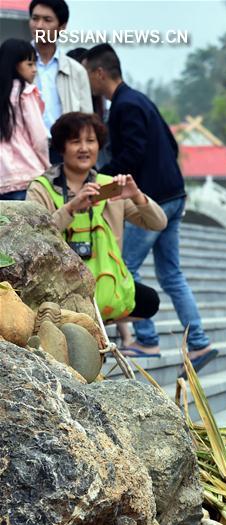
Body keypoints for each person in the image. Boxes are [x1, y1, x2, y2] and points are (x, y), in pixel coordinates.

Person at [82, 43, 217, 369]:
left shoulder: (125, 107)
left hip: (152, 201)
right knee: (171, 274)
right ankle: (198, 343)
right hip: (173, 196)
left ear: (99, 73)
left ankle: (146, 339)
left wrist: (98, 177)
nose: (87, 82)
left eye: (87, 74)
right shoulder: (140, 99)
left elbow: (133, 154)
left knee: (122, 266)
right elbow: (170, 144)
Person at [27, 112, 167, 325]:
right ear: (61, 147)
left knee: (149, 301)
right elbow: (33, 239)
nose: (84, 148)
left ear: (99, 146)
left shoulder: (110, 186)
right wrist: (72, 208)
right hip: (60, 283)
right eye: (75, 141)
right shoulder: (41, 187)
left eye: (91, 141)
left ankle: (99, 322)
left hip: (103, 279)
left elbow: (158, 223)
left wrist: (137, 196)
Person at [28, 0, 92, 156]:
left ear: (62, 27)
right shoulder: (12, 65)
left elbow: (87, 120)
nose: (39, 25)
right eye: (35, 18)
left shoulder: (76, 71)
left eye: (47, 20)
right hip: (25, 152)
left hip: (64, 152)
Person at [0, 39, 49, 200]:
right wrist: (47, 168)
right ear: (15, 65)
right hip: (27, 176)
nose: (35, 70)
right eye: (30, 64)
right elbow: (39, 138)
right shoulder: (25, 93)